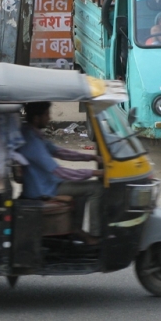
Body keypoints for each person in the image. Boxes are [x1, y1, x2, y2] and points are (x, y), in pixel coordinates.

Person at [17, 101, 104, 241]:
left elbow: (60, 152)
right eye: (47, 115)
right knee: (96, 188)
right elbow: (60, 172)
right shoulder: (31, 141)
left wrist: (91, 157)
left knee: (82, 189)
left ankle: (76, 230)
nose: (50, 118)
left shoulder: (33, 133)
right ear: (36, 118)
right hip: (45, 189)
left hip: (50, 184)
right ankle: (95, 235)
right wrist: (94, 173)